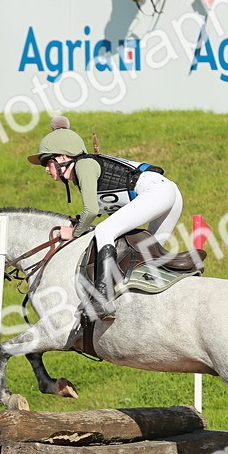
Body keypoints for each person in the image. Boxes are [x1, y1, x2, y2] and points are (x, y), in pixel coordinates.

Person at [27, 116, 183, 320]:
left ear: (63, 157)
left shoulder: (83, 166)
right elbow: (114, 212)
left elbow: (91, 210)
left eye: (47, 163)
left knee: (105, 231)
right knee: (146, 256)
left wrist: (74, 232)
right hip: (170, 193)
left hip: (157, 191)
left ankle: (102, 298)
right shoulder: (85, 168)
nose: (46, 170)